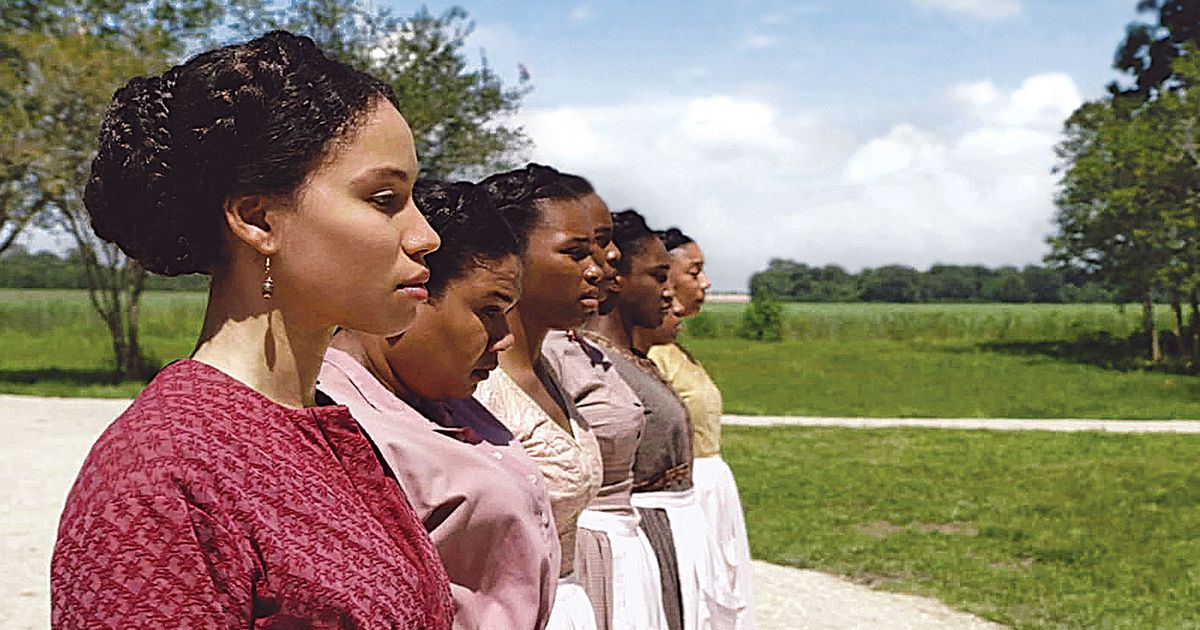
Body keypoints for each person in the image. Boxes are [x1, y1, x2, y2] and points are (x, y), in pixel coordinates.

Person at [50, 31, 453, 628]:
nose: (426, 236)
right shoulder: (163, 478)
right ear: (257, 219)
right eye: (384, 198)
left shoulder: (318, 424)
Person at [317, 179, 560, 629]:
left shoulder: (444, 400)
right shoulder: (335, 428)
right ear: (411, 293)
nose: (504, 338)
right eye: (490, 309)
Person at [474, 164, 604, 630]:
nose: (596, 271)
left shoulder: (548, 370)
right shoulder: (477, 387)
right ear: (510, 258)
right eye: (575, 253)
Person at [581, 208, 722, 630]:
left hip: (665, 531)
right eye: (658, 277)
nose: (669, 293)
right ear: (618, 279)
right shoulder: (591, 363)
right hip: (640, 530)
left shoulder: (635, 360)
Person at [541, 176, 669, 630]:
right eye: (583, 249)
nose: (604, 261)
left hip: (616, 550)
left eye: (604, 244)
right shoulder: (512, 367)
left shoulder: (578, 352)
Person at [646, 229, 755, 629]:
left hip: (711, 486)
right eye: (695, 272)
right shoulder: (653, 353)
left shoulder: (674, 348)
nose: (705, 283)